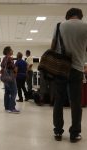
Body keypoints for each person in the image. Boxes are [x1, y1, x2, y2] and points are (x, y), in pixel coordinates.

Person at [51, 8, 87, 143]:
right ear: (80, 16)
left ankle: (58, 132)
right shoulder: (85, 26)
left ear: (67, 16)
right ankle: (75, 134)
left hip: (61, 69)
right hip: (77, 69)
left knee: (58, 100)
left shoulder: (60, 26)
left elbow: (53, 47)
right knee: (76, 102)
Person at [1, 46, 20, 113]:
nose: (13, 51)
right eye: (11, 50)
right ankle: (12, 108)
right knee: (14, 92)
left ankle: (7, 107)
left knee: (7, 92)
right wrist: (16, 69)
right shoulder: (10, 58)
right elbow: (14, 68)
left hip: (5, 78)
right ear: (8, 51)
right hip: (11, 77)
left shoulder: (4, 58)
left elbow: (2, 67)